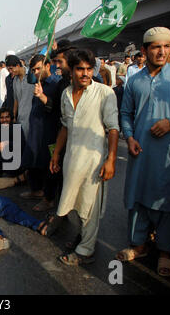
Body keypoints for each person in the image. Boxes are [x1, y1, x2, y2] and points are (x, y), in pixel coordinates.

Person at [117, 27, 170, 277]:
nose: (162, 51)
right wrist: (129, 137)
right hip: (141, 151)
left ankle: (164, 250)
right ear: (145, 50)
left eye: (166, 46)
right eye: (156, 47)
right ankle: (139, 245)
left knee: (167, 199)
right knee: (138, 196)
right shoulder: (135, 80)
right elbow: (126, 113)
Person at [47, 49, 119, 266]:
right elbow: (65, 128)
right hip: (71, 160)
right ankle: (82, 237)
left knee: (89, 207)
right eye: (80, 69)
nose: (85, 73)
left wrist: (111, 160)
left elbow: (113, 129)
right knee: (71, 205)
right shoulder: (66, 94)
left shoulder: (105, 93)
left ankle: (86, 250)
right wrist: (56, 154)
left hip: (94, 161)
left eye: (89, 69)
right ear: (72, 70)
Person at [21, 54, 61, 210]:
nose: (36, 72)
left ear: (48, 65)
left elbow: (55, 108)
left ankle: (49, 198)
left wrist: (42, 96)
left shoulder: (56, 84)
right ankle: (36, 190)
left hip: (49, 131)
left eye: (38, 68)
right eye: (33, 69)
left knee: (48, 164)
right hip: (35, 129)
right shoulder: (38, 83)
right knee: (32, 160)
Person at [8, 55, 33, 140]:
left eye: (11, 69)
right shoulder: (15, 80)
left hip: (32, 117)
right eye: (9, 69)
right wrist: (14, 116)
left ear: (18, 66)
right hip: (21, 118)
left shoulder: (32, 75)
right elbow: (16, 100)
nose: (10, 72)